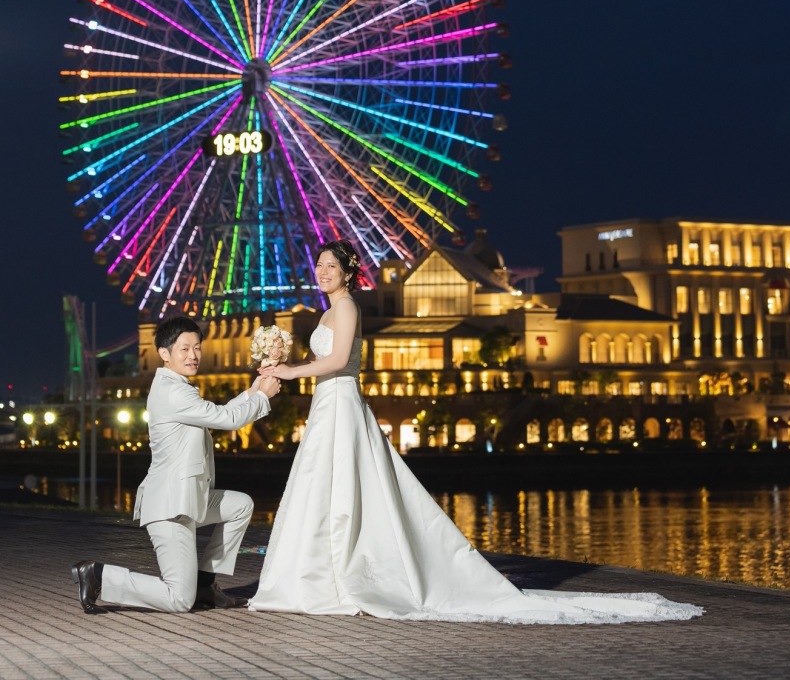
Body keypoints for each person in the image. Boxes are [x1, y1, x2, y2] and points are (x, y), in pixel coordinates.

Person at [249, 240, 703, 625]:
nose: (323, 272)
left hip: (341, 399)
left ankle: (339, 573)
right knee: (324, 484)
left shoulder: (346, 308)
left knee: (343, 482)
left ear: (349, 273)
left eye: (332, 266)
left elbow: (336, 361)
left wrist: (288, 371)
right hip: (327, 403)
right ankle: (321, 571)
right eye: (320, 265)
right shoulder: (329, 312)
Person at [71, 314, 280, 614]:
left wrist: (252, 391)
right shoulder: (173, 391)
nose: (194, 355)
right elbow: (226, 419)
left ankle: (205, 585)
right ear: (165, 354)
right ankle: (99, 575)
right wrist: (262, 398)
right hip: (170, 507)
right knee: (179, 599)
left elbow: (216, 414)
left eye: (197, 347)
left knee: (241, 505)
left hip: (189, 497)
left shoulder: (178, 387)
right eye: (185, 349)